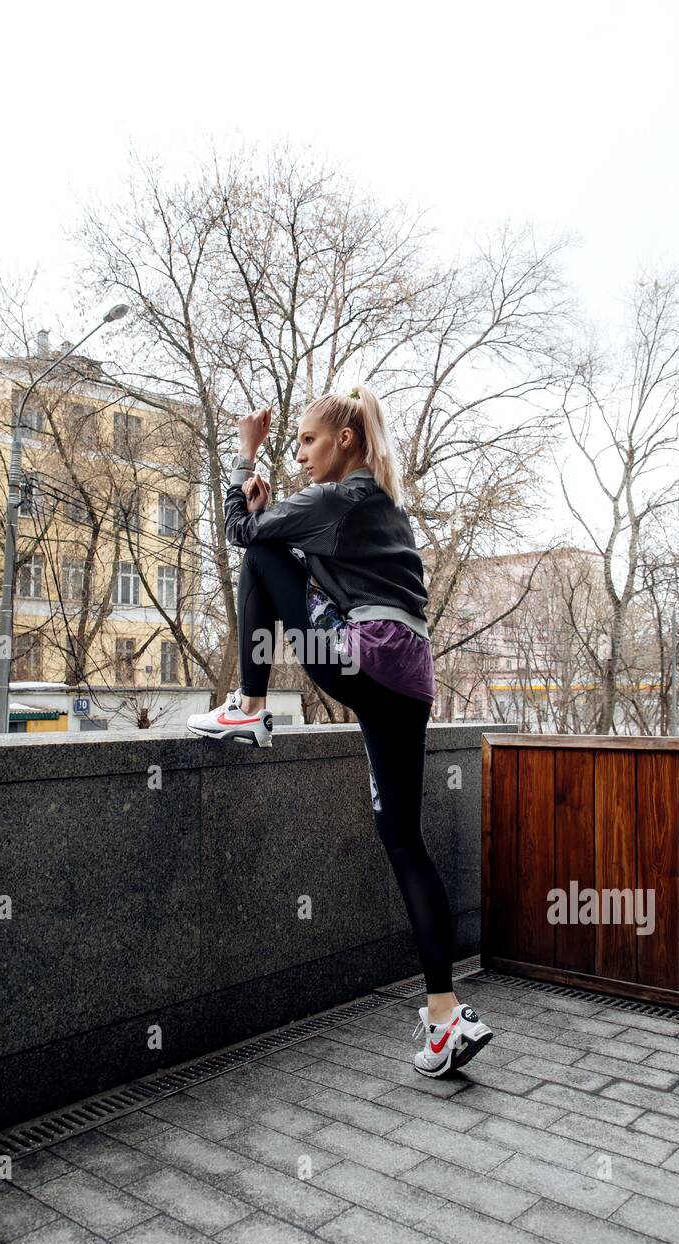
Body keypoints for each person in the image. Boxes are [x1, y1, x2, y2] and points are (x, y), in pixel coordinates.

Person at [187, 386, 493, 1076]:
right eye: (293, 443)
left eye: (308, 441)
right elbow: (322, 571)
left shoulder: (335, 500)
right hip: (410, 678)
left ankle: (250, 703)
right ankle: (446, 1018)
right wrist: (273, 515)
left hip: (362, 656)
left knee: (258, 558)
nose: (298, 453)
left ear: (346, 442)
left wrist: (245, 458)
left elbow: (244, 534)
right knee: (404, 840)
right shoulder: (385, 508)